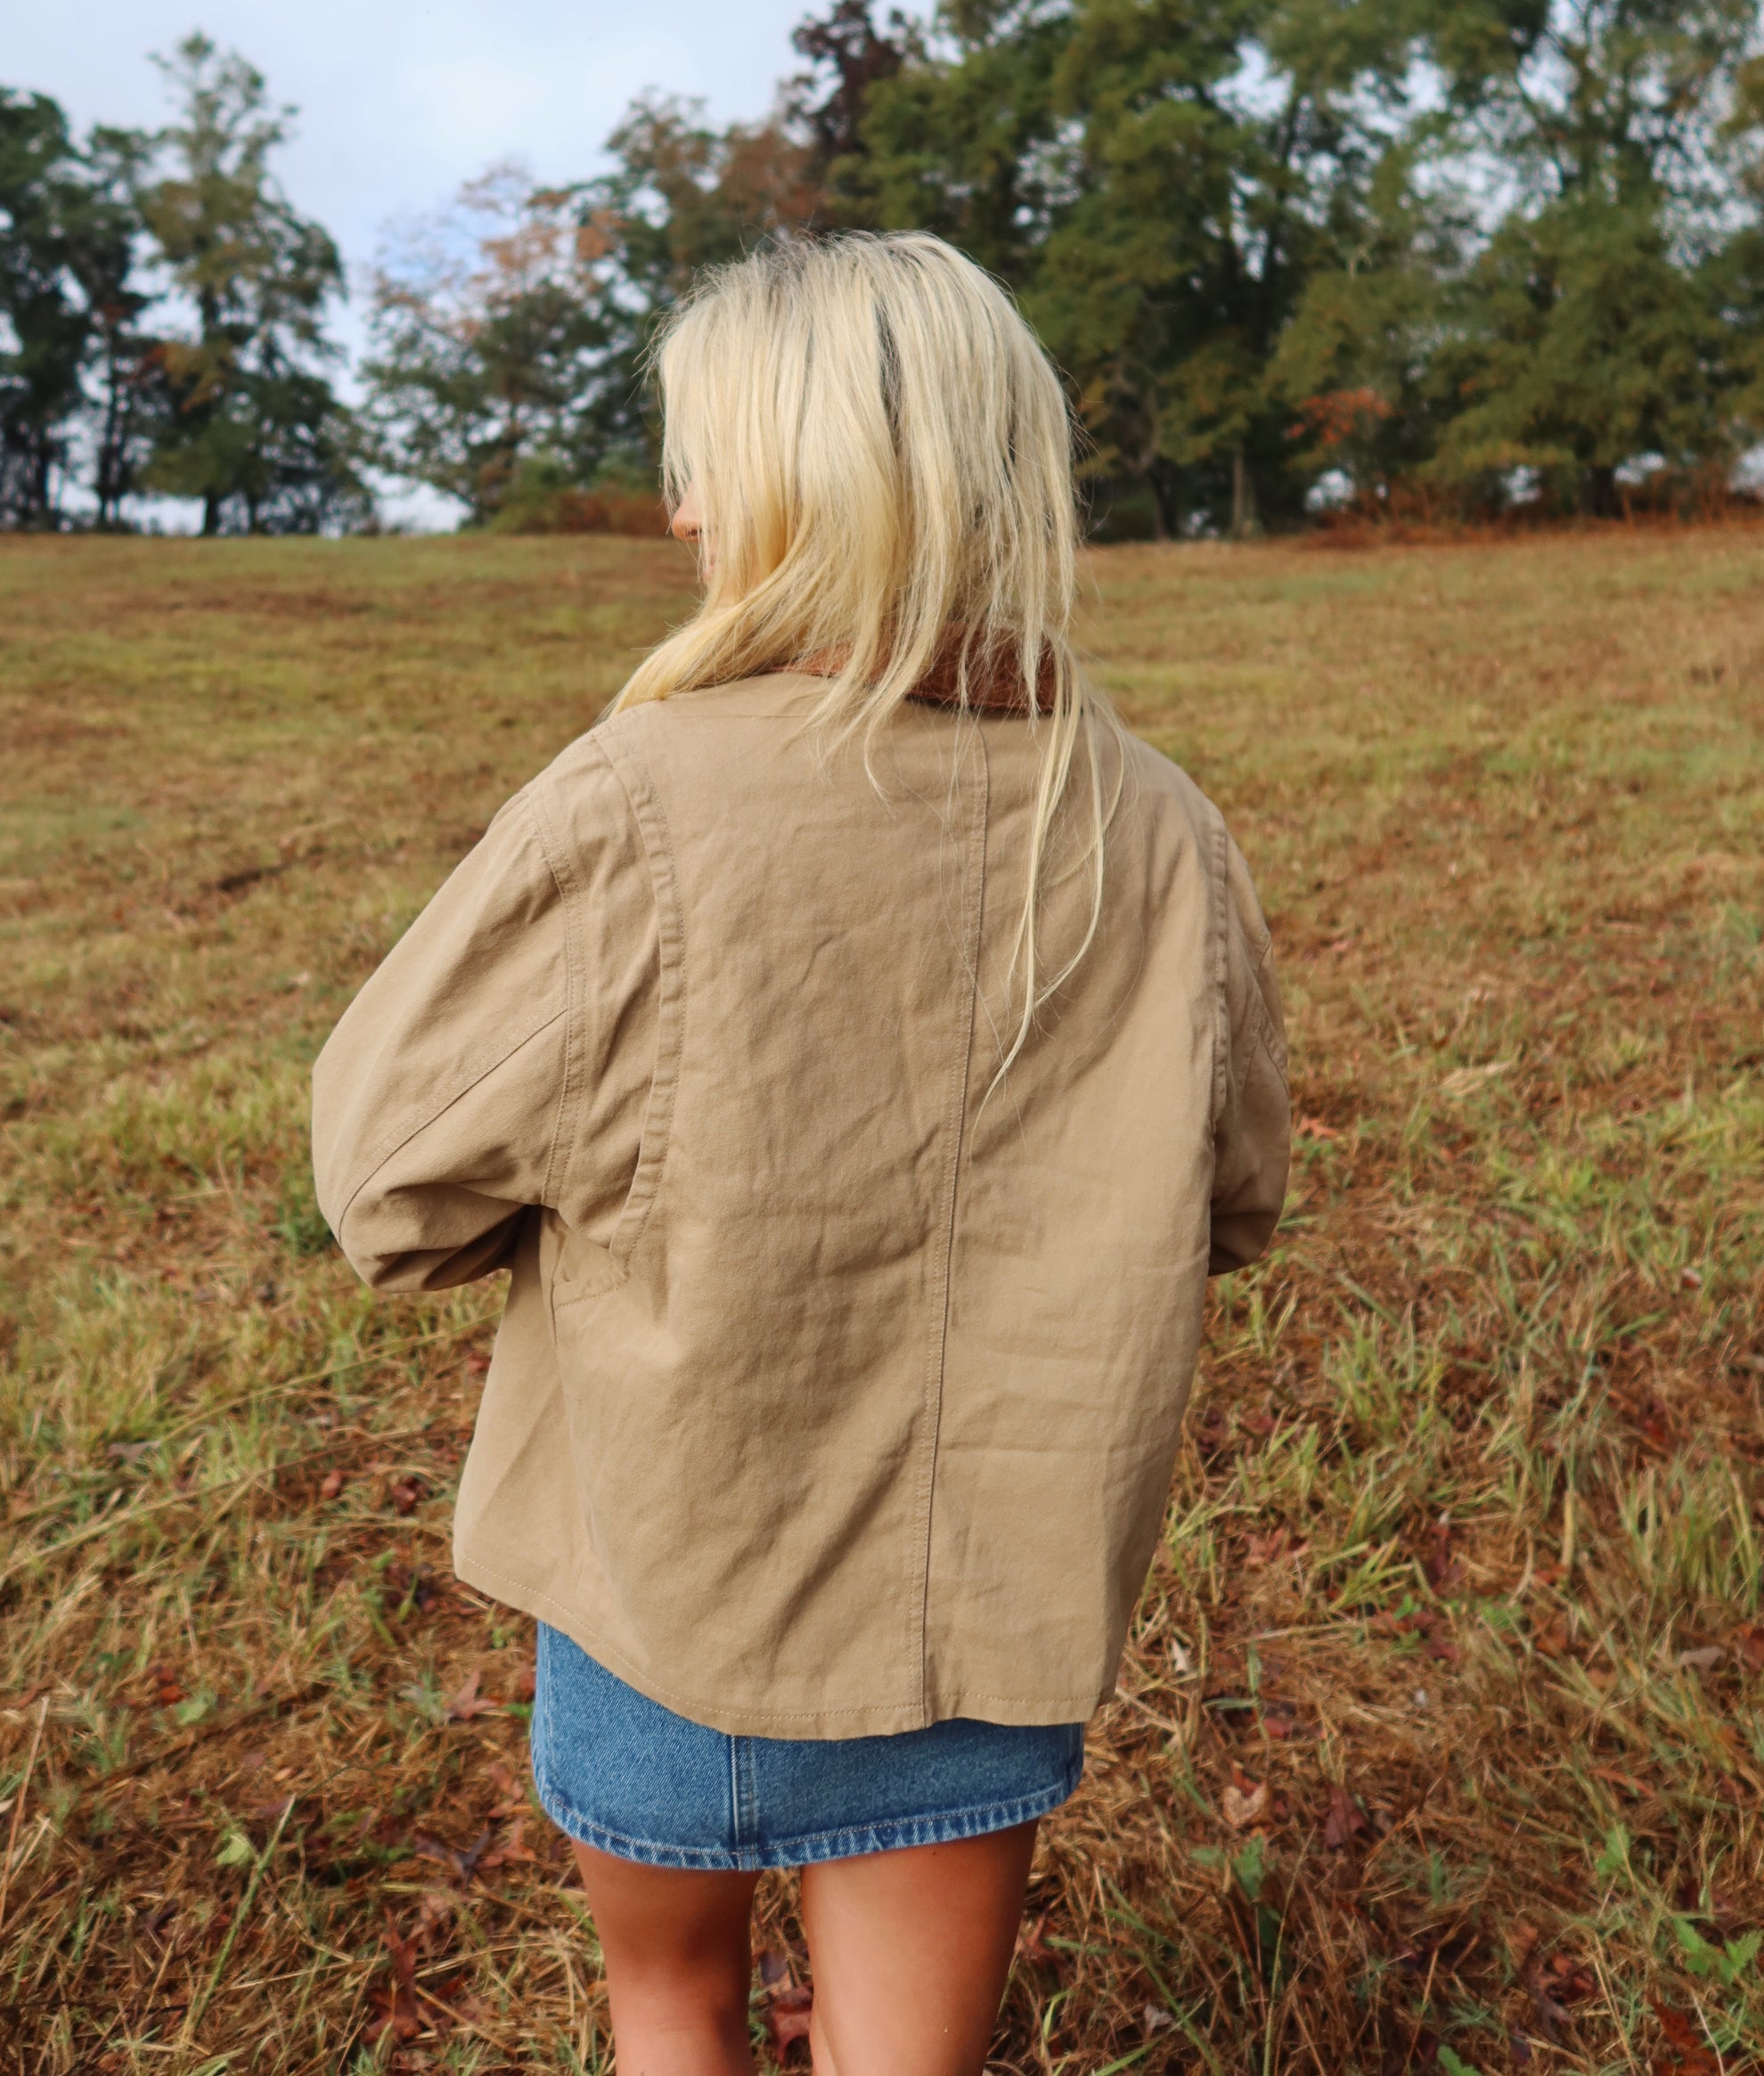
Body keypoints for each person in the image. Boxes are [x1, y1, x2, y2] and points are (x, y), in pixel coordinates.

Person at [312, 230, 1290, 2076]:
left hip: (670, 1577)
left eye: (698, 469)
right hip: (987, 1604)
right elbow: (1235, 1198)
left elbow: (381, 1186)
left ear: (780, 492)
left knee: (666, 2004)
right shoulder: (1158, 825)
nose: (678, 518)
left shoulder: (632, 800)